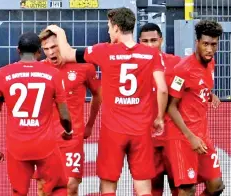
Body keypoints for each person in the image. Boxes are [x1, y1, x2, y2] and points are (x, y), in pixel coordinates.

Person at [46, 7, 168, 196]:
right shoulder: (151, 54)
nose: (108, 31)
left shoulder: (104, 51)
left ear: (117, 27)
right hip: (141, 129)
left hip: (113, 130)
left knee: (108, 185)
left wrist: (60, 32)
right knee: (144, 187)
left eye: (109, 27)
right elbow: (162, 88)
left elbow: (68, 53)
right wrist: (159, 117)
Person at [0, 32, 72, 196]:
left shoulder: (3, 74)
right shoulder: (53, 74)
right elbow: (65, 116)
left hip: (17, 146)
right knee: (58, 188)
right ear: (39, 52)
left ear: (18, 51)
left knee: (19, 191)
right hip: (45, 145)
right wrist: (69, 131)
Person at [35, 29, 101, 196]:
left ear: (63, 45)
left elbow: (98, 94)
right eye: (46, 49)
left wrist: (90, 125)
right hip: (46, 139)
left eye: (54, 47)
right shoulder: (39, 69)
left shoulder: (84, 67)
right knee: (45, 187)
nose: (51, 52)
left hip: (72, 137)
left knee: (71, 185)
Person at [166, 20, 225, 196]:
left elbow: (199, 88)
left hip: (202, 135)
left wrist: (209, 95)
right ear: (197, 43)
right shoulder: (182, 70)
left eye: (213, 44)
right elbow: (171, 107)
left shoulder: (211, 63)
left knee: (217, 186)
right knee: (187, 190)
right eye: (205, 44)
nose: (209, 49)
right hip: (182, 137)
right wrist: (190, 137)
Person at [139, 23, 180, 196]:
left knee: (179, 188)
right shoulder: (133, 68)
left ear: (161, 40)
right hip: (146, 139)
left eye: (153, 40)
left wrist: (209, 94)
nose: (149, 45)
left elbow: (189, 87)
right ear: (139, 42)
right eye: (145, 41)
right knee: (152, 190)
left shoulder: (176, 63)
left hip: (172, 137)